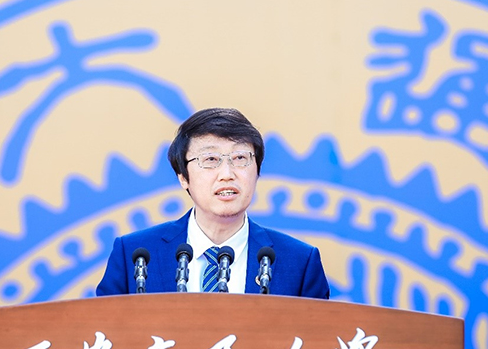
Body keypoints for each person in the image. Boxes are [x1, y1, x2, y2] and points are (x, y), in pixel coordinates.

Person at [95, 107, 330, 298]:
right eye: (210, 159)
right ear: (183, 177)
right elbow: (101, 333)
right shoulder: (134, 254)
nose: (227, 174)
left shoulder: (298, 262)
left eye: (240, 158)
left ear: (257, 171)